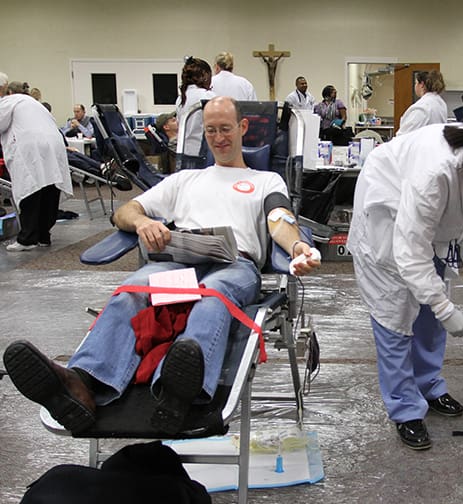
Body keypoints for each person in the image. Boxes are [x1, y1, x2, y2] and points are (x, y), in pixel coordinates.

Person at [2, 96, 321, 435]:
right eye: (211, 130)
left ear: (243, 128)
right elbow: (124, 212)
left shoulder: (265, 180)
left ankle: (179, 392)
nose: (219, 137)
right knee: (133, 294)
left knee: (213, 296)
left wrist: (298, 246)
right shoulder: (184, 180)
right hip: (179, 263)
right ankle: (78, 384)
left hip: (235, 264)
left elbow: (279, 218)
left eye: (226, 128)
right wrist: (142, 224)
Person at [347, 123, 463, 450]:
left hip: (429, 225)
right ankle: (404, 409)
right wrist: (446, 307)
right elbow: (410, 251)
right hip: (388, 216)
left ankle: (427, 385)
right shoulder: (434, 174)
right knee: (396, 314)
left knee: (431, 315)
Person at [0, 78, 73, 251]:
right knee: (49, 187)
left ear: (8, 91)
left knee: (30, 189)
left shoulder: (9, 101)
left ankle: (27, 239)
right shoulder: (34, 103)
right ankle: (43, 235)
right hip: (53, 145)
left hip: (30, 148)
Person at [176, 57, 216, 168]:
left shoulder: (180, 99)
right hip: (201, 154)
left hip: (184, 152)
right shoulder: (208, 96)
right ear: (206, 76)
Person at [396, 70, 448, 136]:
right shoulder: (440, 103)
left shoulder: (423, 106)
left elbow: (404, 136)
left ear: (422, 85)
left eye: (416, 83)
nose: (415, 86)